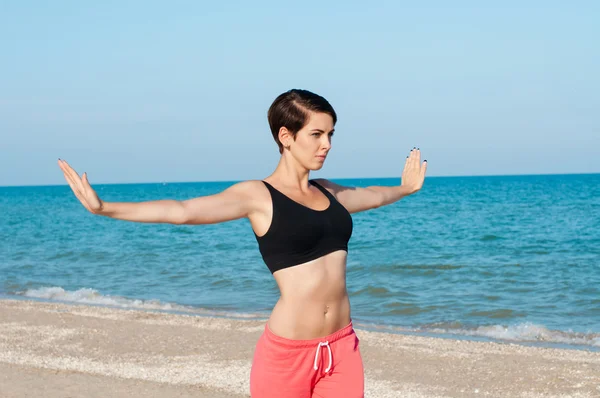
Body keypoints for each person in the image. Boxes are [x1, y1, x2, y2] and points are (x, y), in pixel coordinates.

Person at [58, 89, 427, 398]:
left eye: (331, 134)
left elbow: (372, 195)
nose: (326, 144)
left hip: (341, 348)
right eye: (316, 134)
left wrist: (406, 188)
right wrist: (105, 208)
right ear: (286, 136)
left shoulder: (327, 191)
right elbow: (183, 210)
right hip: (287, 355)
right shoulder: (257, 195)